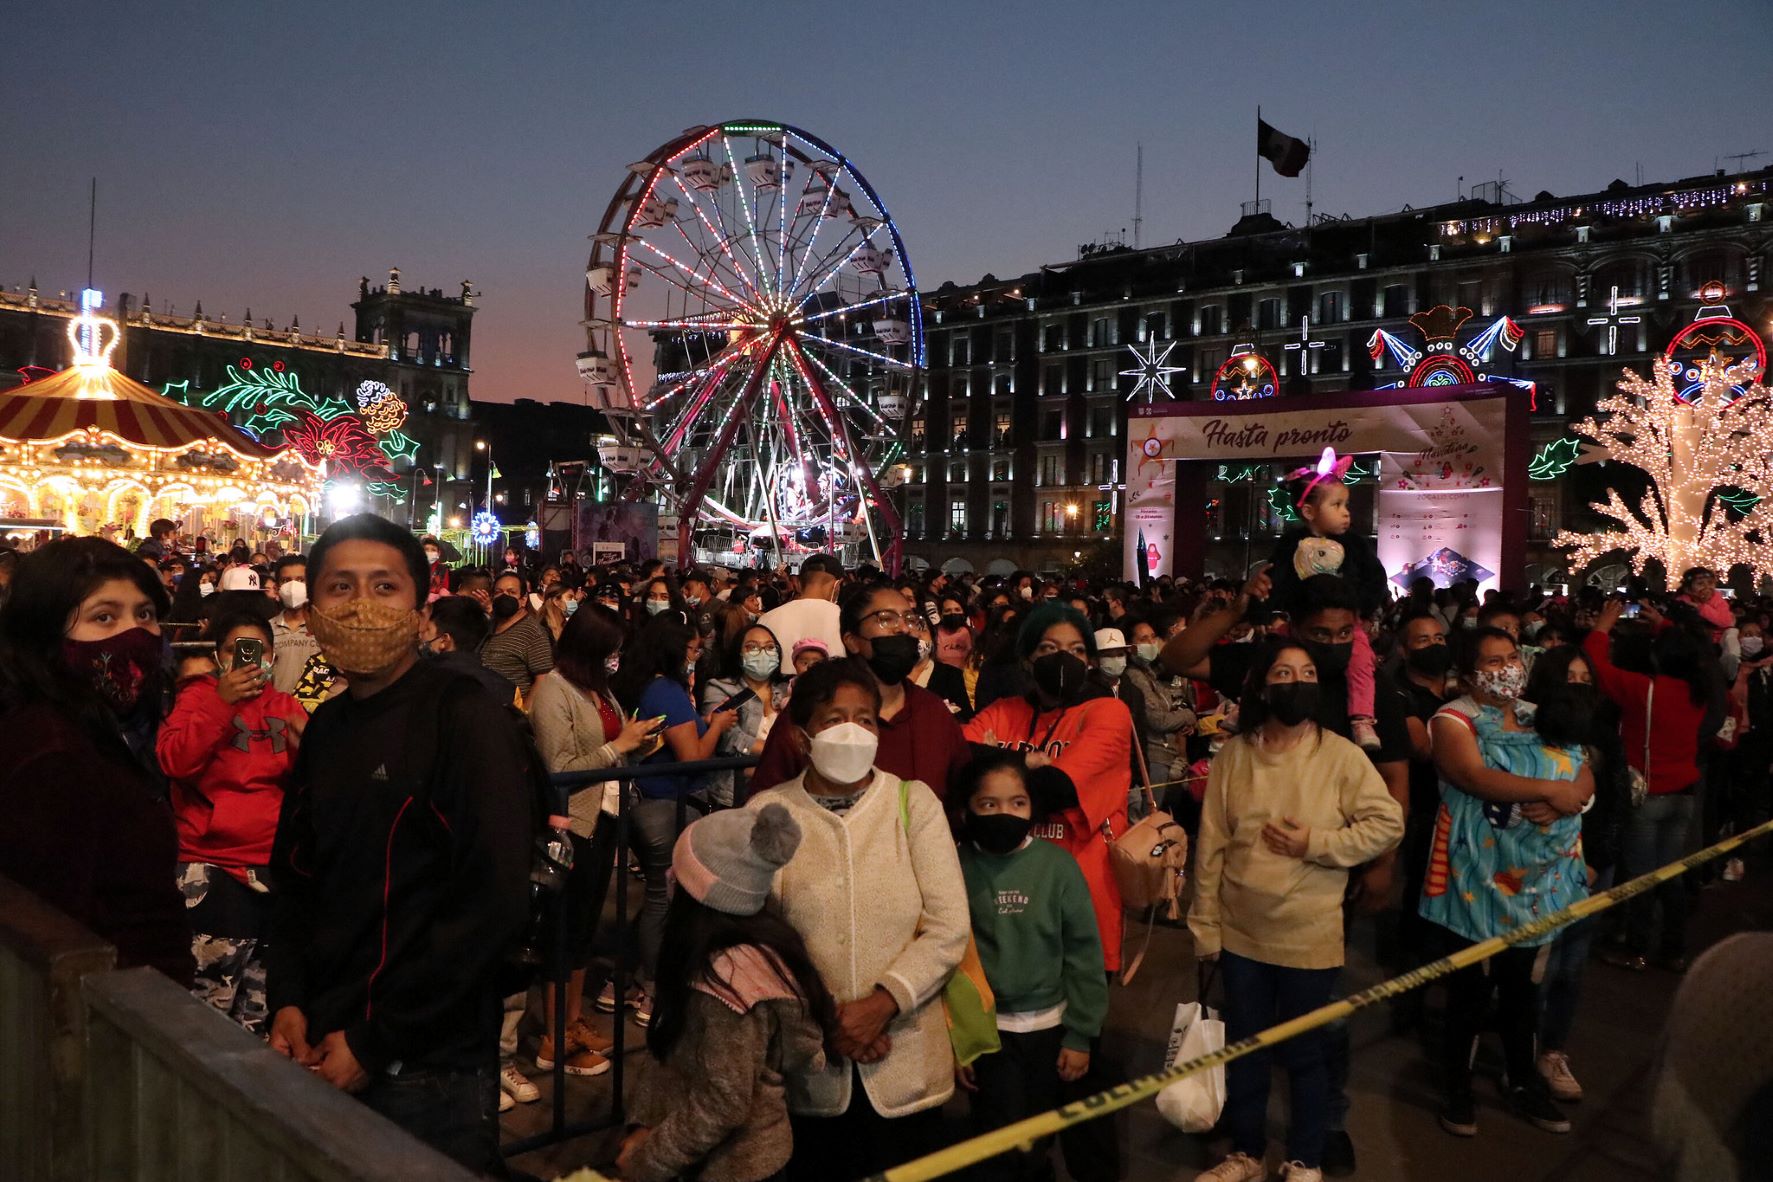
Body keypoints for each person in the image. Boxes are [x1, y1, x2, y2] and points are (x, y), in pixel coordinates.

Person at [265, 514, 532, 1174]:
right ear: (311, 606)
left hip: (426, 1063)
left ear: (420, 608)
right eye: (340, 587)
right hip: (322, 1040)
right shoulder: (327, 724)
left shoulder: (462, 716)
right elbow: (298, 874)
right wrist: (289, 999)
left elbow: (491, 897)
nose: (361, 607)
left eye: (384, 587)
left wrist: (377, 1037)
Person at [1190, 639, 1404, 1182]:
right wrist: (1205, 925)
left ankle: (1305, 1156)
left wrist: (1316, 844)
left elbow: (1386, 823)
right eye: (1284, 672)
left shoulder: (1339, 754)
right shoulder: (1236, 755)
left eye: (1307, 672)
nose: (1297, 681)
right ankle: (1246, 1152)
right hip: (1241, 934)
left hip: (1310, 933)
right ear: (1263, 684)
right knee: (1247, 1050)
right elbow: (1211, 844)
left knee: (1306, 1052)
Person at [746, 659, 968, 1181]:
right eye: (834, 719)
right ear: (802, 738)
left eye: (865, 719)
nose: (852, 731)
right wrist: (830, 1019)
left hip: (907, 1060)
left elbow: (948, 924)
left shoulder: (915, 804)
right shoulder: (769, 811)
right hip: (811, 1065)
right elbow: (757, 940)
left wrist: (883, 1003)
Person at [1423, 627, 1592, 1139]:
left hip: (1537, 877)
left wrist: (1573, 797)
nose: (1505, 669)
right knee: (1469, 991)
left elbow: (1585, 766)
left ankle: (1522, 1081)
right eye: (1491, 661)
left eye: (1510, 658)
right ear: (1468, 673)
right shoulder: (1452, 720)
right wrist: (1549, 789)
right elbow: (1472, 776)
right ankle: (1457, 1086)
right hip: (1474, 873)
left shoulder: (1540, 713)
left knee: (1522, 990)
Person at [0, 537, 193, 985]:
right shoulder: (54, 754)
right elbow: (52, 929)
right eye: (104, 617)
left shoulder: (91, 728)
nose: (134, 634)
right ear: (45, 632)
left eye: (144, 614)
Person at [617, 804, 836, 1182]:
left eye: (677, 872)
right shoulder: (764, 949)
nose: (669, 877)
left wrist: (649, 1160)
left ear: (697, 891)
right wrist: (645, 1122)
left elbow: (724, 1102)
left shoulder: (726, 984)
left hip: (731, 1170)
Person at [954, 751, 1109, 1182]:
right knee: (993, 1134)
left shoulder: (1058, 867)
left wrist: (1080, 1034)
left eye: (1017, 803)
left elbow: (1084, 955)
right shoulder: (956, 865)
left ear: (1032, 806)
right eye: (989, 804)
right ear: (967, 808)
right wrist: (959, 1041)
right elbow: (948, 961)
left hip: (1049, 1030)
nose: (1005, 813)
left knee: (1038, 1137)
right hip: (987, 1032)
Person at [528, 604, 662, 1084]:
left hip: (605, 817)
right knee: (562, 931)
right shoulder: (553, 693)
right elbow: (559, 766)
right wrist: (618, 748)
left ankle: (572, 1023)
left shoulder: (598, 690)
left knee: (583, 928)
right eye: (610, 651)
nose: (616, 660)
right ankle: (553, 1037)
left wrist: (639, 744)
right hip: (571, 824)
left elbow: (609, 746)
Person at [157, 608, 306, 1033]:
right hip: (213, 868)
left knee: (258, 1009)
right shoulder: (198, 697)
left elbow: (313, 786)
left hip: (272, 871)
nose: (248, 658)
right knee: (206, 1007)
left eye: (259, 651)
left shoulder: (285, 706)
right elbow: (175, 760)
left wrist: (309, 748)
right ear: (220, 656)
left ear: (273, 657)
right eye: (236, 650)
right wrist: (221, 702)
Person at [965, 603, 1133, 979]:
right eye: (1048, 649)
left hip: (1079, 902)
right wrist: (1029, 765)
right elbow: (959, 765)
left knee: (1076, 1026)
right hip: (999, 900)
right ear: (1027, 658)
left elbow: (1058, 790)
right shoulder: (1004, 710)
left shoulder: (1107, 713)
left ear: (1090, 661)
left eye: (1076, 650)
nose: (1064, 659)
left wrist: (995, 760)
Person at [610, 614, 740, 1022]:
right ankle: (651, 989)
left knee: (656, 894)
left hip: (647, 803)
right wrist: (717, 725)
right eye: (692, 650)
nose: (695, 657)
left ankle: (625, 981)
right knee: (662, 898)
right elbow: (693, 757)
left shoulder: (635, 682)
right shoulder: (665, 691)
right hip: (665, 803)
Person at [1585, 598, 1717, 971]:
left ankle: (1637, 948)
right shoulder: (1698, 690)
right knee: (1670, 874)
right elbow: (1696, 652)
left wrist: (1603, 626)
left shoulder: (1645, 689)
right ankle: (1674, 949)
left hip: (1650, 795)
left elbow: (1596, 667)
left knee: (1642, 877)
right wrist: (1663, 625)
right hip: (1684, 795)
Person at [753, 583, 972, 804]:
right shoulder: (814, 706)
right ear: (852, 640)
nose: (904, 629)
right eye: (886, 619)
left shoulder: (932, 712)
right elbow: (767, 801)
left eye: (910, 619)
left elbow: (961, 800)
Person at [1525, 645, 1630, 1103]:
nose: (1578, 684)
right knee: (1536, 966)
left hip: (1589, 865)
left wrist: (1594, 859)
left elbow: (1615, 803)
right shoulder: (1529, 733)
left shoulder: (1604, 735)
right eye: (1568, 676)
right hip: (1539, 865)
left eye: (1585, 677)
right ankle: (1522, 1048)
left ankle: (1553, 1049)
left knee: (1571, 964)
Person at [1267, 450, 1388, 752]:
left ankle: (1361, 717)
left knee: (1360, 660)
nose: (1346, 512)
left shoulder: (1355, 545)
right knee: (1268, 655)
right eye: (1337, 505)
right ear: (1309, 511)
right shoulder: (1289, 545)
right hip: (1298, 622)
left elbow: (1376, 579)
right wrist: (1271, 610)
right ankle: (1246, 705)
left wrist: (1361, 609)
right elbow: (1276, 580)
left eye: (1345, 505)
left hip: (1345, 622)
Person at [701, 622, 790, 806]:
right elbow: (729, 738)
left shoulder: (787, 690)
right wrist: (778, 751)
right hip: (736, 794)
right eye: (753, 647)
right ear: (739, 654)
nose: (762, 653)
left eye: (769, 647)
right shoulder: (719, 688)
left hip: (785, 790)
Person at [756, 554, 845, 676]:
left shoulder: (767, 618)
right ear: (837, 585)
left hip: (777, 692)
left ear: (798, 583)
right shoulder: (844, 618)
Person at [420, 596, 518, 703]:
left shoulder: (425, 682)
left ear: (444, 641)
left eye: (427, 630)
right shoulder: (508, 689)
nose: (421, 635)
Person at [480, 569, 554, 698]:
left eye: (511, 592)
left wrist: (524, 712)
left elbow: (543, 680)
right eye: (498, 592)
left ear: (523, 599)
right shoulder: (490, 625)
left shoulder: (533, 632)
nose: (504, 596)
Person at [907, 608, 972, 719]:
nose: (916, 636)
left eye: (922, 630)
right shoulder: (891, 677)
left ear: (932, 637)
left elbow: (965, 718)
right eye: (909, 633)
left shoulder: (951, 675)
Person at [268, 554, 318, 694]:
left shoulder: (324, 628)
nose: (293, 586)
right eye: (286, 580)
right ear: (277, 587)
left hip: (318, 711)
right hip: (277, 711)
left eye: (301, 580)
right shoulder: (268, 629)